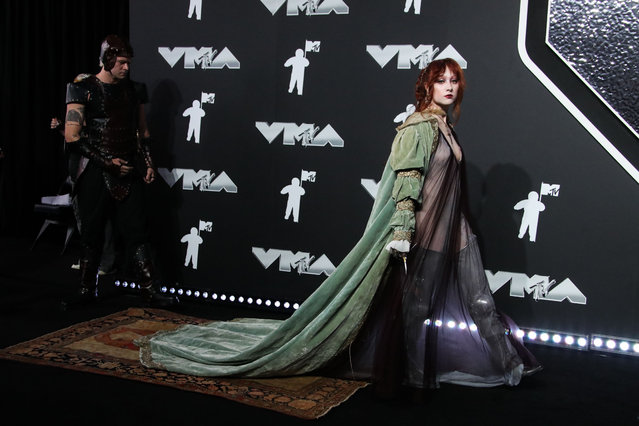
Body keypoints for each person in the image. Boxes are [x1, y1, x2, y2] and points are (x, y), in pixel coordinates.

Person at [136, 59, 539, 393]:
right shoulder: (418, 127)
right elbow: (407, 183)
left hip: (455, 231)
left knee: (480, 299)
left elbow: (449, 188)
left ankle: (509, 363)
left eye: (454, 81)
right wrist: (401, 232)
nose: (449, 86)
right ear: (427, 86)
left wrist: (460, 227)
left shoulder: (446, 128)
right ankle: (416, 375)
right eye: (441, 80)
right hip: (421, 232)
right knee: (416, 309)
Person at [62, 35, 177, 309]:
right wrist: (106, 162)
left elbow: (142, 131)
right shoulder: (82, 88)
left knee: (138, 231)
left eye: (129, 63)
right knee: (91, 232)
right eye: (122, 62)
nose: (127, 68)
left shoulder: (134, 90)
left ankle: (150, 290)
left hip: (127, 168)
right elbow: (72, 136)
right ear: (108, 59)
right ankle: (86, 289)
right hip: (94, 171)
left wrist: (148, 162)